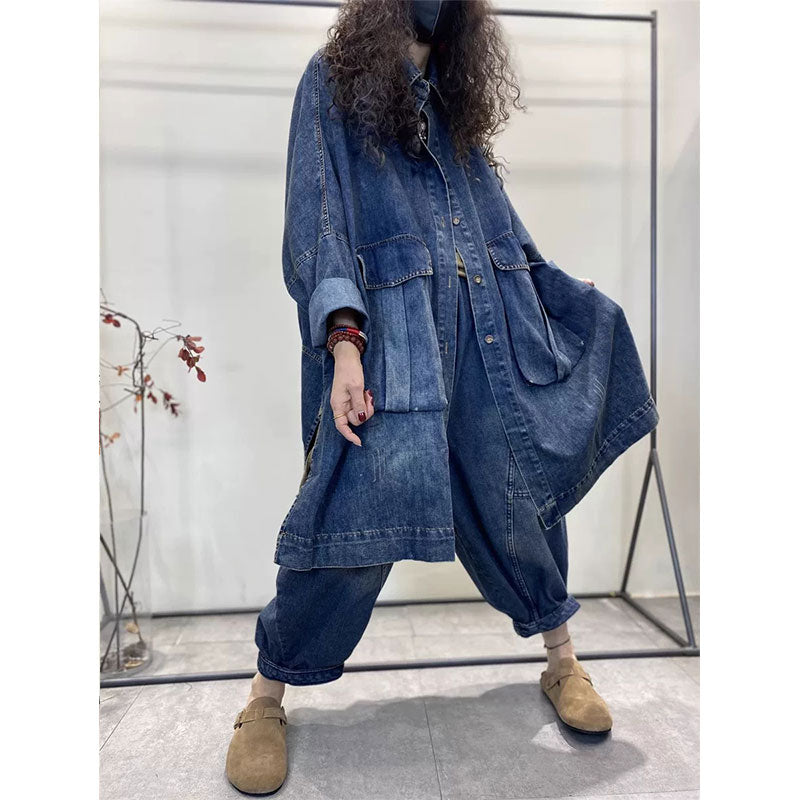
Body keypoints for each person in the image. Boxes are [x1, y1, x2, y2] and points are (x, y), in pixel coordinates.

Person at [225, 1, 658, 794]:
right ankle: (264, 698)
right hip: (394, 342)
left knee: (519, 502)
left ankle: (563, 661)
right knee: (353, 520)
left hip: (488, 331)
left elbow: (497, 222)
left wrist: (549, 289)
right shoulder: (334, 82)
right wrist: (345, 342)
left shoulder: (457, 94)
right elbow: (318, 222)